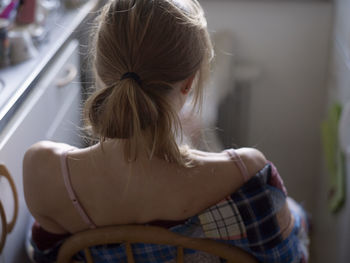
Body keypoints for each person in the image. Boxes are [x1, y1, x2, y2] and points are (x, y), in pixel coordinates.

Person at [23, 0, 309, 262]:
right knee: (298, 215)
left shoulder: (44, 170)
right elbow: (290, 258)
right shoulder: (247, 176)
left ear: (100, 68)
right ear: (189, 84)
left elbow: (45, 255)